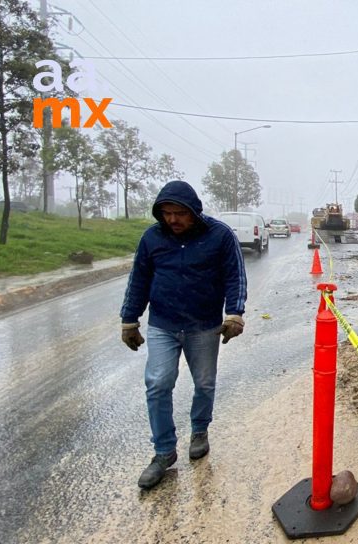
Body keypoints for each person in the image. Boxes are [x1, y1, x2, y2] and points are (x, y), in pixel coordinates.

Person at [119, 180, 247, 490]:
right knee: (158, 383)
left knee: (204, 382)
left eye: (179, 213)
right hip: (163, 324)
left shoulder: (220, 236)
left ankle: (200, 430)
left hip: (203, 326)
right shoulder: (152, 239)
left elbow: (235, 274)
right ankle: (163, 452)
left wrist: (234, 313)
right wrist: (129, 320)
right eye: (166, 213)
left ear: (194, 212)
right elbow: (139, 280)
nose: (173, 220)